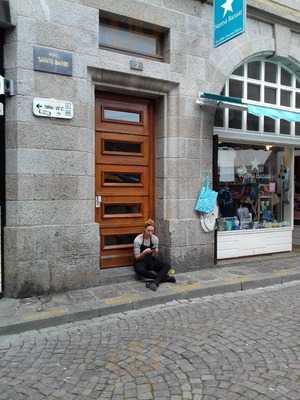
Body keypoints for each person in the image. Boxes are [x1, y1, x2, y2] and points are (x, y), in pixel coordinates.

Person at [133, 219, 176, 291]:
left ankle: (156, 282)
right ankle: (165, 278)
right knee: (139, 270)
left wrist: (155, 252)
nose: (150, 233)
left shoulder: (155, 239)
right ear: (144, 229)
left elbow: (154, 255)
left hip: (150, 259)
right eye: (148, 231)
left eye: (152, 231)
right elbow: (137, 257)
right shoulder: (138, 239)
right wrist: (144, 253)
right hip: (141, 260)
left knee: (167, 266)